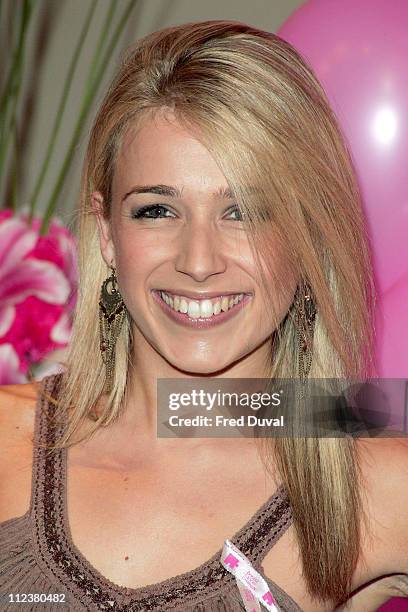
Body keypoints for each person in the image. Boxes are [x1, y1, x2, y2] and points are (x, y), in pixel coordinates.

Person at [0, 20, 407, 612]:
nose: (198, 261)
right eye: (157, 210)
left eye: (243, 210)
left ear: (308, 236)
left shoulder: (371, 487)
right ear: (107, 233)